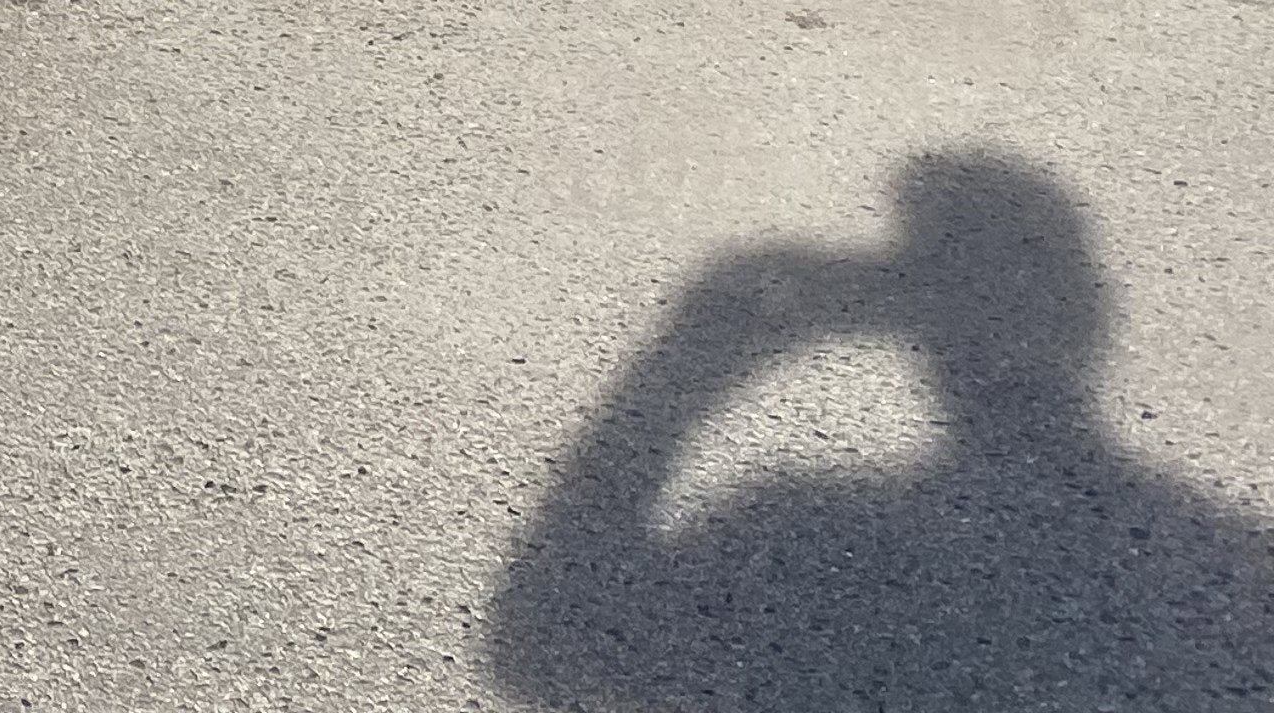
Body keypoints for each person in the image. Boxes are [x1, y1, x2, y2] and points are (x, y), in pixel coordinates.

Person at [488, 151, 1274, 709]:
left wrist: (694, 352)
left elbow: (546, 646)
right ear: (1088, 313)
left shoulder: (797, 531)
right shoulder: (1233, 576)